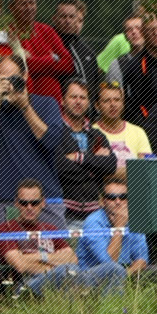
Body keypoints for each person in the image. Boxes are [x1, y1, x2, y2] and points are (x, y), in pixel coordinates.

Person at [0, 53, 72, 217]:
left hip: (46, 199)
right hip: (9, 201)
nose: (9, 84)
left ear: (25, 76)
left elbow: (52, 141)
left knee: (55, 236)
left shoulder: (47, 103)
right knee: (9, 236)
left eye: (14, 78)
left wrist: (25, 107)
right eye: (3, 79)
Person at [0, 179, 83, 295]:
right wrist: (55, 263)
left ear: (43, 203)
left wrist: (39, 257)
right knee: (67, 271)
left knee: (107, 269)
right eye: (24, 203)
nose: (29, 207)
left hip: (58, 277)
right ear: (16, 203)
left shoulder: (50, 229)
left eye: (35, 203)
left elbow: (72, 258)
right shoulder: (6, 229)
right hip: (26, 284)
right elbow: (19, 265)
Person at [52, 79, 115, 221]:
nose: (78, 101)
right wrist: (95, 166)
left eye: (83, 97)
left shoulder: (97, 135)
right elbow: (59, 167)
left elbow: (111, 165)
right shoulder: (54, 132)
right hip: (64, 214)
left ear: (88, 102)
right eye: (73, 97)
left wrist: (78, 157)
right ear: (62, 101)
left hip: (97, 214)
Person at [78, 175, 154, 289]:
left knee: (156, 272)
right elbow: (108, 263)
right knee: (114, 269)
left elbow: (142, 259)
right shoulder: (93, 222)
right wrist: (119, 227)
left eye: (123, 197)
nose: (118, 202)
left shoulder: (134, 220)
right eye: (111, 197)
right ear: (102, 201)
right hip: (93, 274)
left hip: (126, 271)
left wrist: (125, 275)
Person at [0, 0, 74, 100]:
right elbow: (19, 68)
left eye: (32, 3)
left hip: (52, 101)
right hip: (21, 100)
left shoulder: (47, 31)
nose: (29, 8)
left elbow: (69, 64)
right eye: (23, 4)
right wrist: (51, 59)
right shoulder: (5, 35)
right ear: (12, 7)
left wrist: (31, 60)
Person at [93, 82, 152, 166]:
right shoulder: (90, 133)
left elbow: (146, 168)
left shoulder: (138, 132)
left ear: (123, 103)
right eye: (106, 101)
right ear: (97, 106)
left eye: (117, 100)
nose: (113, 104)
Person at [51, 0, 101, 93]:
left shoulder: (88, 52)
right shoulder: (45, 45)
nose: (68, 21)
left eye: (72, 17)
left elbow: (95, 88)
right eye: (63, 17)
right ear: (54, 19)